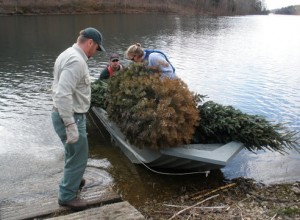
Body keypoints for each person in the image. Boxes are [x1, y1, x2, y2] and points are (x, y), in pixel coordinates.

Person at [51, 27, 105, 211]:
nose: (96, 53)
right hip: (70, 115)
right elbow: (63, 94)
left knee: (72, 152)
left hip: (62, 113)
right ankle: (67, 196)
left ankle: (74, 179)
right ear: (90, 42)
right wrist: (70, 124)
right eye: (97, 48)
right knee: (79, 155)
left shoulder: (68, 53)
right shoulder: (76, 61)